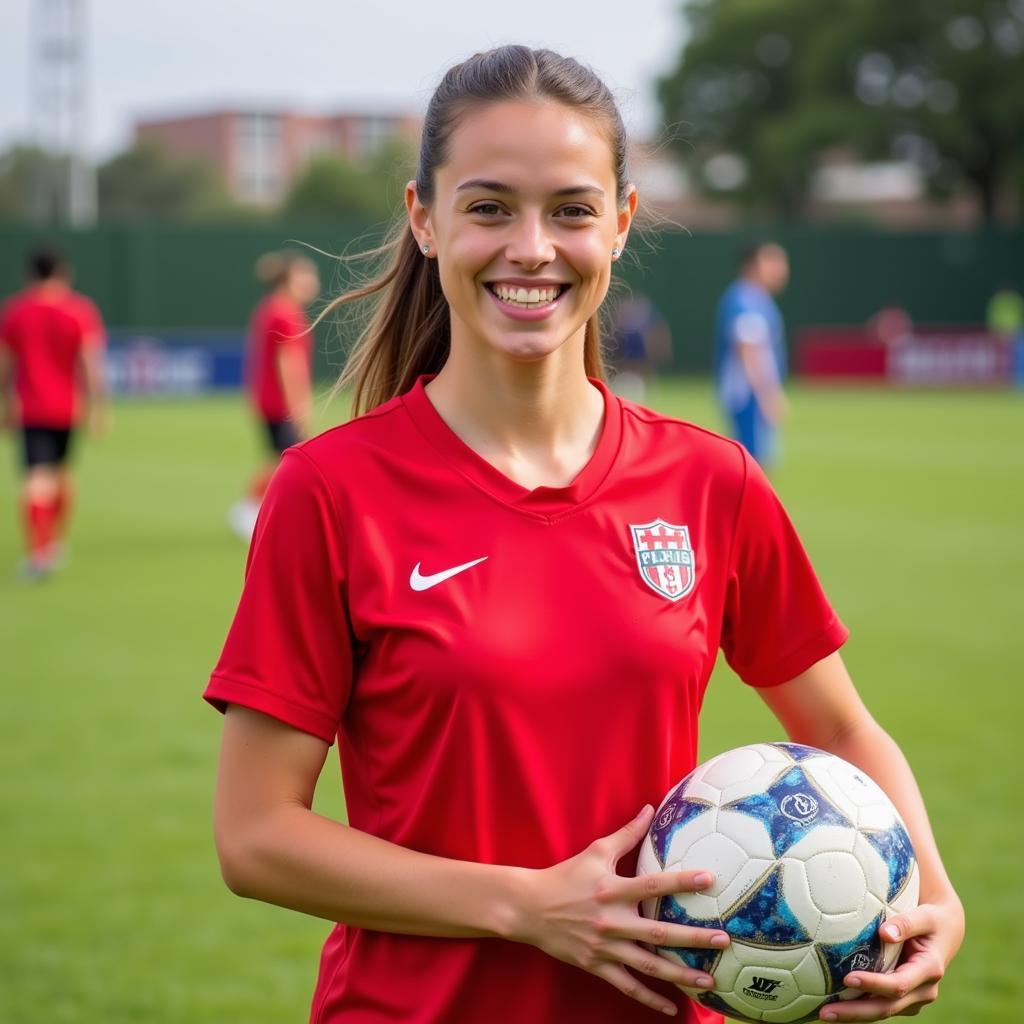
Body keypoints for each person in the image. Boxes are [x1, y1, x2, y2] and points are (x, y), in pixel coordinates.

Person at [204, 46, 963, 1024]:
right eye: (488, 208)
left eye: (569, 208)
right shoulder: (328, 491)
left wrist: (935, 897)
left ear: (620, 222)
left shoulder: (709, 480)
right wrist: (526, 905)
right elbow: (256, 835)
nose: (531, 247)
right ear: (424, 220)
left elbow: (842, 726)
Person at [0, 246, 107, 579]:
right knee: (60, 474)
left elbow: (5, 363)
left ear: (29, 274)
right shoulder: (79, 309)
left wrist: (4, 402)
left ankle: (41, 549)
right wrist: (98, 406)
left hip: (31, 407)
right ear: (63, 272)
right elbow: (90, 362)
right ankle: (54, 542)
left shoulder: (16, 311)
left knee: (38, 477)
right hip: (67, 407)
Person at [228, 250, 320, 541]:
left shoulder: (270, 308)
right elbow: (288, 363)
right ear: (288, 279)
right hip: (280, 404)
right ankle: (250, 509)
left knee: (279, 458)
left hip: (267, 400)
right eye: (305, 275)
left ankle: (259, 510)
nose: (312, 281)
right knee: (288, 461)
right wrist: (300, 406)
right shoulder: (286, 314)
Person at [713, 242, 790, 467]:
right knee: (754, 464)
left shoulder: (756, 298)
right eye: (773, 262)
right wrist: (767, 394)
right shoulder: (744, 299)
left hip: (751, 395)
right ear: (752, 265)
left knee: (758, 462)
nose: (781, 269)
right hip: (748, 395)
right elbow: (748, 349)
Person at [610, 292, 673, 403]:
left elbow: (657, 331)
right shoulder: (622, 318)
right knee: (626, 369)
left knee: (641, 369)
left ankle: (646, 391)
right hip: (626, 350)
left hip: (638, 350)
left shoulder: (645, 318)